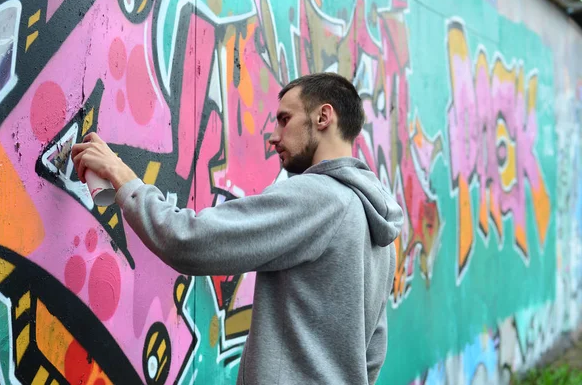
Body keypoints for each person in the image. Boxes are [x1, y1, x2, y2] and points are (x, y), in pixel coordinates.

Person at [71, 72, 403, 385]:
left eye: (285, 119)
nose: (274, 137)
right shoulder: (376, 221)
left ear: (322, 117)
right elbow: (373, 352)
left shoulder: (318, 197)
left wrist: (121, 177)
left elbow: (190, 241)